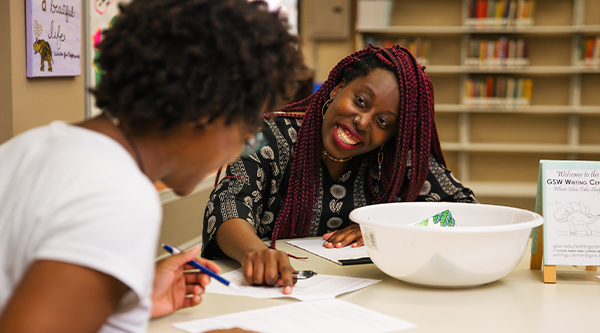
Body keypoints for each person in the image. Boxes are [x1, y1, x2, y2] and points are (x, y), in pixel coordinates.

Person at [0, 0, 304, 332]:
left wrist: (128, 304)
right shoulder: (119, 195)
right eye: (246, 136)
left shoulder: (34, 145)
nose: (235, 156)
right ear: (210, 112)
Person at [202, 45, 478, 295]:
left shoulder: (395, 161)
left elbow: (465, 208)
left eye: (382, 122)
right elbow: (229, 204)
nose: (362, 121)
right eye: (360, 101)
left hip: (366, 300)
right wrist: (255, 251)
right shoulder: (267, 136)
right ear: (337, 88)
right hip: (270, 293)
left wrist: (389, 227)